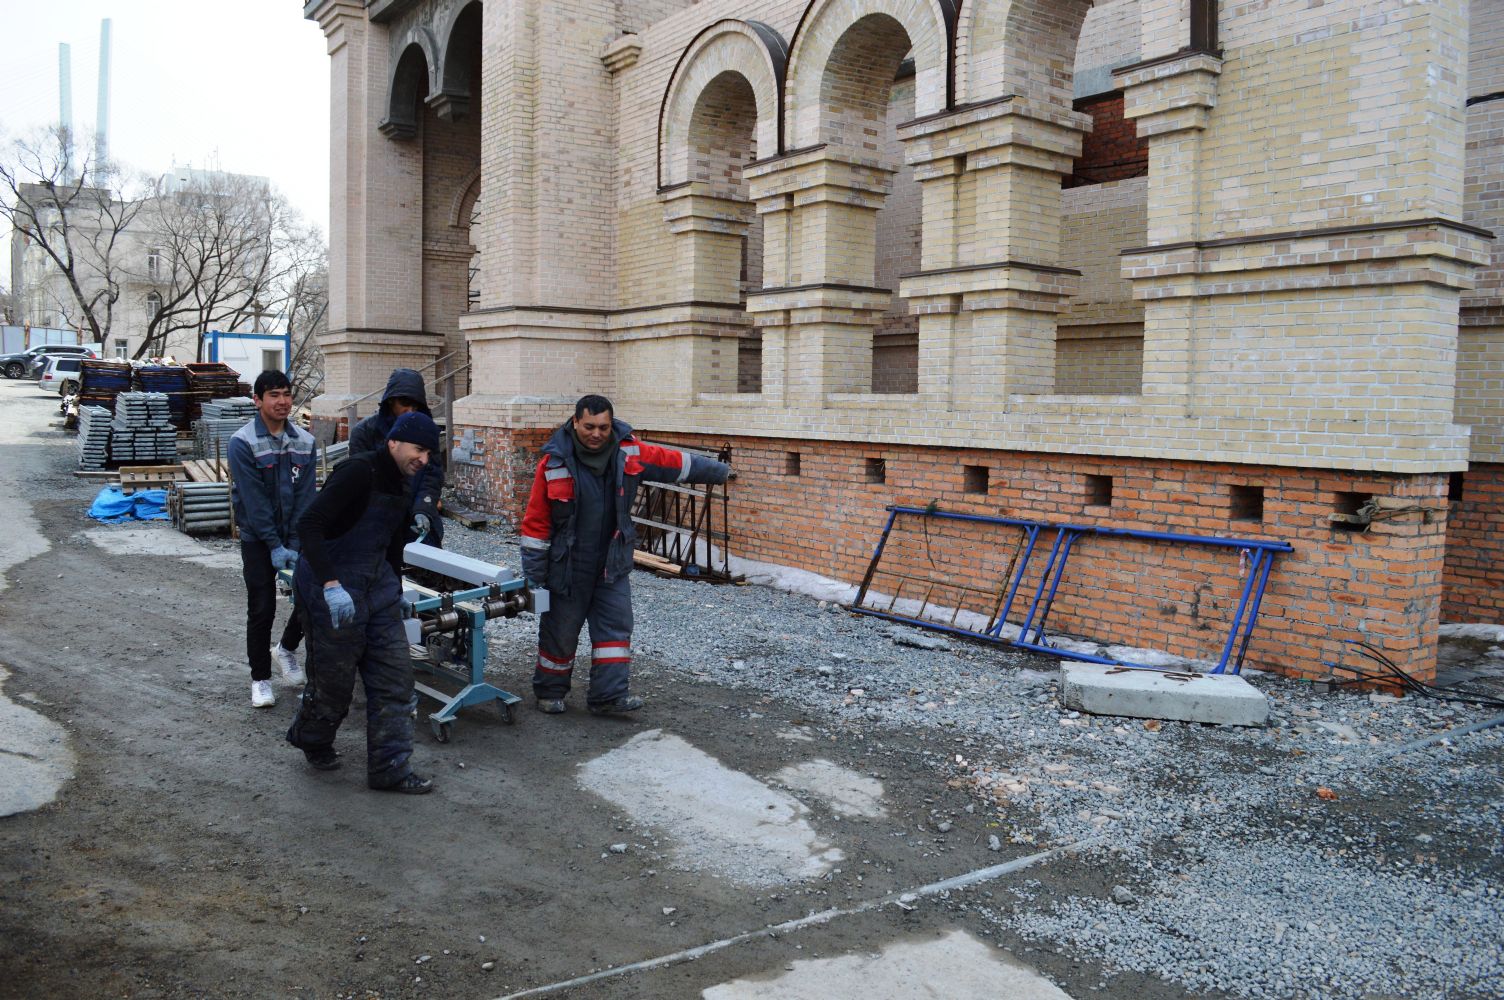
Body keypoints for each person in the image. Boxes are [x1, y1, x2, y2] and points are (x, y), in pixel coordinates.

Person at [520, 394, 732, 716]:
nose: (596, 434)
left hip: (611, 564)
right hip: (569, 566)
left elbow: (672, 463)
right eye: (589, 426)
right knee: (560, 630)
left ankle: (608, 697)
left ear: (612, 425)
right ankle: (550, 692)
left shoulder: (628, 451)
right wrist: (534, 575)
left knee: (614, 630)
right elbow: (536, 523)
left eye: (603, 427)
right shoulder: (554, 462)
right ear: (575, 422)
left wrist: (718, 471)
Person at [284, 411, 440, 794]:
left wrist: (396, 590)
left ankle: (390, 768)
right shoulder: (357, 471)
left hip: (377, 588)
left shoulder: (403, 482)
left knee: (395, 680)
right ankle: (313, 738)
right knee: (334, 683)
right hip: (331, 585)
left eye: (429, 453)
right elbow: (309, 525)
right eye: (418, 449)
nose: (423, 459)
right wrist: (330, 584)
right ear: (394, 442)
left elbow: (392, 542)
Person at [229, 370, 317, 709]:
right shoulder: (243, 442)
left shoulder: (305, 441)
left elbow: (306, 497)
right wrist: (273, 545)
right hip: (257, 538)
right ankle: (260, 679)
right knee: (262, 607)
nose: (282, 402)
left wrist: (293, 543)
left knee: (310, 597)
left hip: (294, 538)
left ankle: (286, 649)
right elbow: (254, 501)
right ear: (258, 400)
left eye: (286, 394)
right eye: (274, 395)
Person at [347, 368, 446, 547]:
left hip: (415, 517)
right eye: (405, 404)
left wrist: (423, 509)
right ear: (391, 401)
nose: (410, 411)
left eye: (415, 406)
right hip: (375, 519)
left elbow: (432, 475)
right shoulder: (365, 432)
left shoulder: (426, 431)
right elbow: (360, 481)